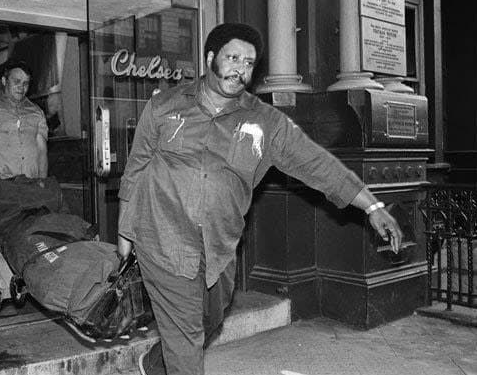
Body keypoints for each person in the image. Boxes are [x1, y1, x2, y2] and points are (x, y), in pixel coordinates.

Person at [117, 23, 403, 375]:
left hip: (219, 246)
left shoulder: (265, 121)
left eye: (249, 63)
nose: (240, 69)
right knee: (185, 331)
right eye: (233, 58)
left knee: (209, 319)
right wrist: (125, 230)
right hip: (162, 239)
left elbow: (316, 163)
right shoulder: (164, 106)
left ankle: (157, 362)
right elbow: (136, 167)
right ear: (210, 57)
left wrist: (372, 206)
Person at [0, 59, 49, 317]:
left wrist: (42, 181)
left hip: (31, 184)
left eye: (26, 83)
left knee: (32, 235)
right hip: (3, 182)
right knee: (0, 239)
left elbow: (42, 149)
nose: (21, 87)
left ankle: (31, 288)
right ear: (3, 81)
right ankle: (7, 294)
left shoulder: (36, 112)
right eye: (16, 82)